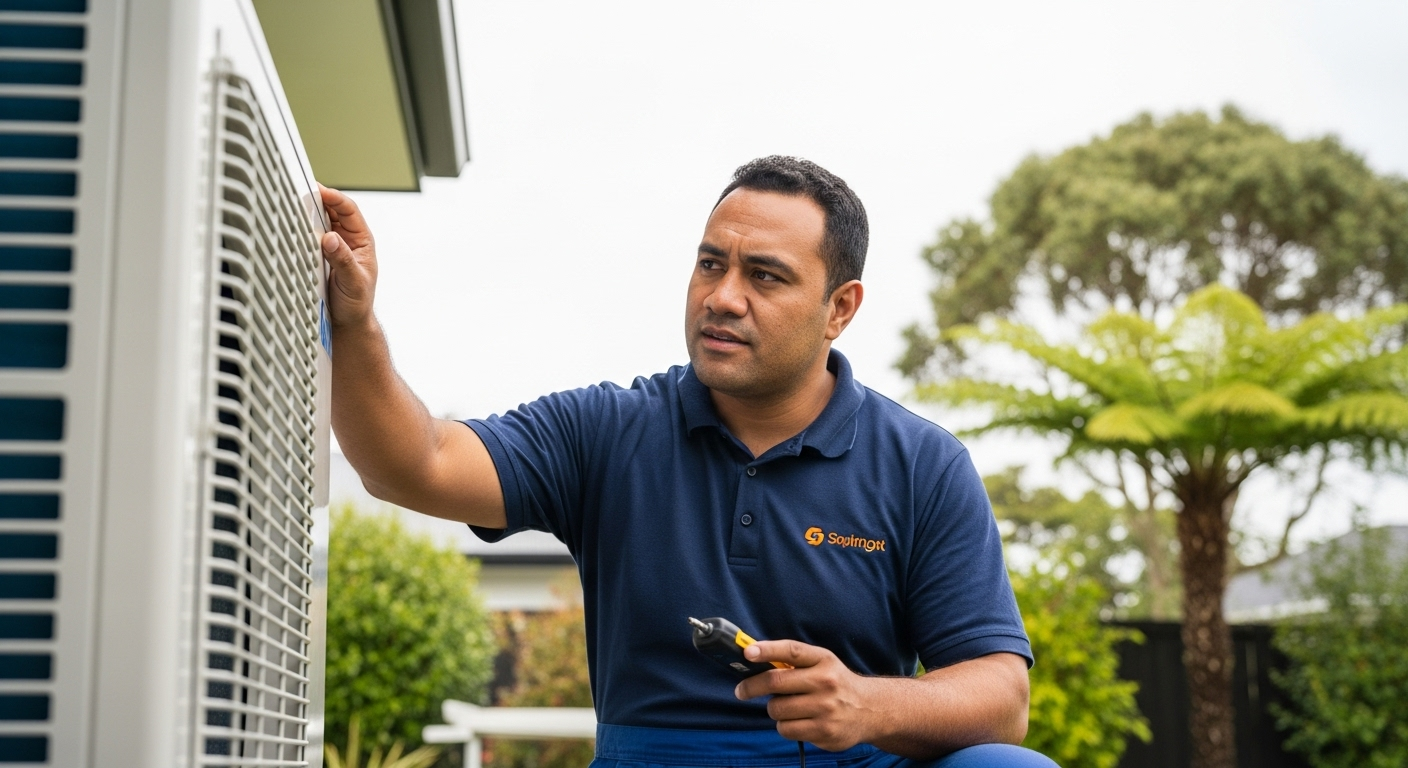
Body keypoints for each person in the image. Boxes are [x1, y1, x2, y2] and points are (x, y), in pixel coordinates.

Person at [321, 156, 1058, 768]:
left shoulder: (922, 464)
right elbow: (413, 464)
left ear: (840, 308)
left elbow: (1002, 697)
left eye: (764, 276)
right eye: (711, 264)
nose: (723, 297)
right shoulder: (608, 429)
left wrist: (867, 704)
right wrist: (353, 323)